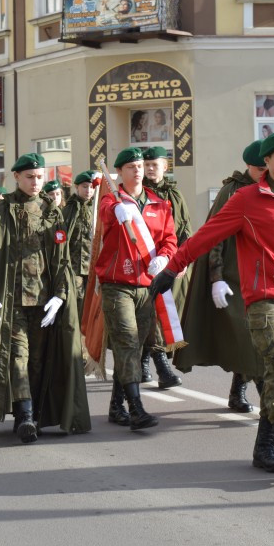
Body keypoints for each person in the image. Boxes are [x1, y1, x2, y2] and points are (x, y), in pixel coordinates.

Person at [150, 131, 274, 476]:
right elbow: (206, 235)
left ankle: (262, 448)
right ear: (267, 163)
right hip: (263, 299)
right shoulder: (246, 199)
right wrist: (172, 269)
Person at [0, 152, 91, 443]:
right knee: (18, 359)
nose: (36, 182)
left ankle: (33, 414)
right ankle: (25, 416)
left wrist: (61, 296)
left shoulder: (53, 211)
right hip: (11, 301)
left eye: (39, 177)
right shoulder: (0, 213)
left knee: (38, 362)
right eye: (30, 177)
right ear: (16, 177)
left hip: (43, 302)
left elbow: (62, 260)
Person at [174, 140, 267, 413]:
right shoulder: (232, 191)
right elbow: (215, 236)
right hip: (233, 276)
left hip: (262, 277)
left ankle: (238, 393)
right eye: (260, 168)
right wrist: (216, 278)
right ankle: (271, 404)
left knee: (255, 339)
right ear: (249, 166)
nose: (265, 172)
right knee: (248, 337)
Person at [95, 147, 178, 431]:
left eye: (141, 165)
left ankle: (116, 405)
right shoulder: (111, 201)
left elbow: (170, 238)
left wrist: (165, 257)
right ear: (119, 172)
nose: (138, 170)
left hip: (148, 285)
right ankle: (136, 408)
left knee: (134, 346)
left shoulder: (159, 203)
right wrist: (115, 210)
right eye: (131, 166)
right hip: (117, 284)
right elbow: (105, 215)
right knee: (127, 342)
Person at [140, 145, 187, 388]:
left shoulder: (174, 195)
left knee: (166, 316)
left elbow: (184, 231)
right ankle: (154, 365)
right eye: (145, 164)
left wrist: (183, 260)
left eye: (154, 164)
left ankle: (148, 360)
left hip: (170, 264)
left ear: (165, 167)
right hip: (142, 266)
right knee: (149, 316)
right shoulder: (138, 194)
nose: (149, 168)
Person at [62, 170, 99, 318]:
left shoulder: (95, 208)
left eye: (91, 187)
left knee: (92, 304)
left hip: (92, 266)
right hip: (75, 267)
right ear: (76, 187)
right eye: (84, 186)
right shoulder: (69, 209)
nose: (88, 190)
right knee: (77, 303)